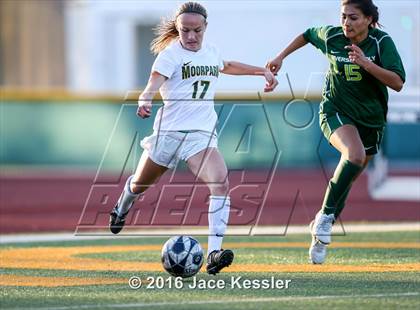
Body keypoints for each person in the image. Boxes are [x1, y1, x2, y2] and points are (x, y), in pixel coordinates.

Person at [109, 2, 278, 275]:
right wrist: (146, 97)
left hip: (200, 136)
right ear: (178, 28)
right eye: (185, 30)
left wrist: (262, 71)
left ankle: (213, 253)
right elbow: (154, 81)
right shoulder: (170, 55)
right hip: (169, 135)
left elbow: (227, 65)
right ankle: (121, 206)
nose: (190, 36)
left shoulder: (211, 52)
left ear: (205, 28)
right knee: (139, 184)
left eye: (196, 30)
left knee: (220, 182)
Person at [266, 0, 405, 264]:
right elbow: (307, 34)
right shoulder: (332, 36)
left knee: (348, 180)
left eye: (353, 18)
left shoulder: (381, 43)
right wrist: (280, 57)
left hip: (371, 121)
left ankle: (320, 233)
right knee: (353, 156)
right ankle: (325, 219)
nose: (346, 23)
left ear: (368, 20)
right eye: (343, 17)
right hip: (335, 111)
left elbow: (397, 82)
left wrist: (367, 64)